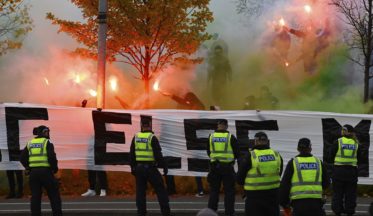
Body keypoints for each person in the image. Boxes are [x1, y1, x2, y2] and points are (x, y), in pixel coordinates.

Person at [130, 119, 172, 216]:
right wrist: (164, 166)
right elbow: (158, 154)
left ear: (141, 125)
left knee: (140, 192)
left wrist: (132, 167)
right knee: (160, 190)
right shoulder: (152, 138)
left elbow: (132, 154)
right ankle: (165, 212)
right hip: (150, 168)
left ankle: (141, 212)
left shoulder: (136, 137)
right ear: (150, 125)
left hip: (139, 168)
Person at [279, 138, 330, 216]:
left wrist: (285, 203)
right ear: (310, 148)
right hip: (316, 202)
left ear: (298, 148)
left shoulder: (293, 162)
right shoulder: (318, 162)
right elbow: (326, 183)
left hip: (298, 204)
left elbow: (285, 185)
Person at [237, 131, 283, 216]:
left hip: (254, 196)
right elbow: (279, 173)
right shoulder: (276, 155)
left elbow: (239, 178)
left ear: (256, 141)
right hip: (272, 195)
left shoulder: (251, 155)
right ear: (267, 141)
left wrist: (244, 194)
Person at [20, 125, 62, 216]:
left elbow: (22, 158)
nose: (48, 133)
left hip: (34, 174)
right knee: (54, 195)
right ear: (44, 132)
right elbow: (52, 157)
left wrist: (28, 167)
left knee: (35, 197)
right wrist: (54, 169)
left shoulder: (30, 143)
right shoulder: (47, 142)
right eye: (46, 132)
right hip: (46, 172)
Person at [207, 119, 240, 216]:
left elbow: (209, 152)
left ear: (217, 126)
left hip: (214, 167)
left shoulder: (211, 136)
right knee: (229, 192)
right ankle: (229, 213)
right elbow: (237, 153)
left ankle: (211, 213)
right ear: (226, 126)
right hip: (227, 168)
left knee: (214, 191)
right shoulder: (230, 137)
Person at [80, 99, 108, 197]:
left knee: (100, 168)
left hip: (100, 146)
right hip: (91, 146)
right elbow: (83, 118)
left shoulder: (105, 122)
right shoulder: (90, 122)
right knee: (90, 168)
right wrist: (83, 106)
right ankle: (92, 189)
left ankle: (103, 189)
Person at [330, 124, 360, 216]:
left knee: (337, 193)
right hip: (351, 171)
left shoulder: (338, 141)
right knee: (350, 193)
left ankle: (337, 211)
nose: (342, 131)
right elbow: (360, 158)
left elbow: (330, 155)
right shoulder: (356, 143)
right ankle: (349, 211)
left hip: (339, 170)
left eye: (343, 130)